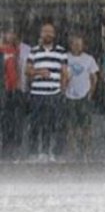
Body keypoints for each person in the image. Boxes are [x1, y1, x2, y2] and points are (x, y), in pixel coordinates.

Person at [26, 23, 69, 161]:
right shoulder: (34, 51)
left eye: (50, 32)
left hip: (54, 94)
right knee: (36, 124)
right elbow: (27, 71)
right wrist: (39, 72)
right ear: (41, 33)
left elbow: (64, 72)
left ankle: (56, 153)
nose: (48, 34)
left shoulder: (61, 51)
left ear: (54, 34)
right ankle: (36, 153)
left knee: (55, 124)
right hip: (37, 94)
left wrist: (62, 90)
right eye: (45, 31)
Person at [64, 34, 99, 161]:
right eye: (74, 44)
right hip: (69, 96)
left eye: (79, 44)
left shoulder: (89, 59)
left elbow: (94, 78)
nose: (77, 46)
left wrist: (91, 93)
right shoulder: (65, 57)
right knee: (70, 126)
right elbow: (61, 76)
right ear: (70, 45)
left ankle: (87, 153)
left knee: (86, 127)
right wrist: (62, 91)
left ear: (83, 45)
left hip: (84, 97)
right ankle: (72, 153)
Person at [0, 30, 30, 159]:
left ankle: (16, 146)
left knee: (17, 119)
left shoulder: (20, 50)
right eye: (7, 33)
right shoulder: (3, 50)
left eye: (13, 33)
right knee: (6, 119)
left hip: (18, 89)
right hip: (4, 90)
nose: (10, 36)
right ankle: (6, 145)